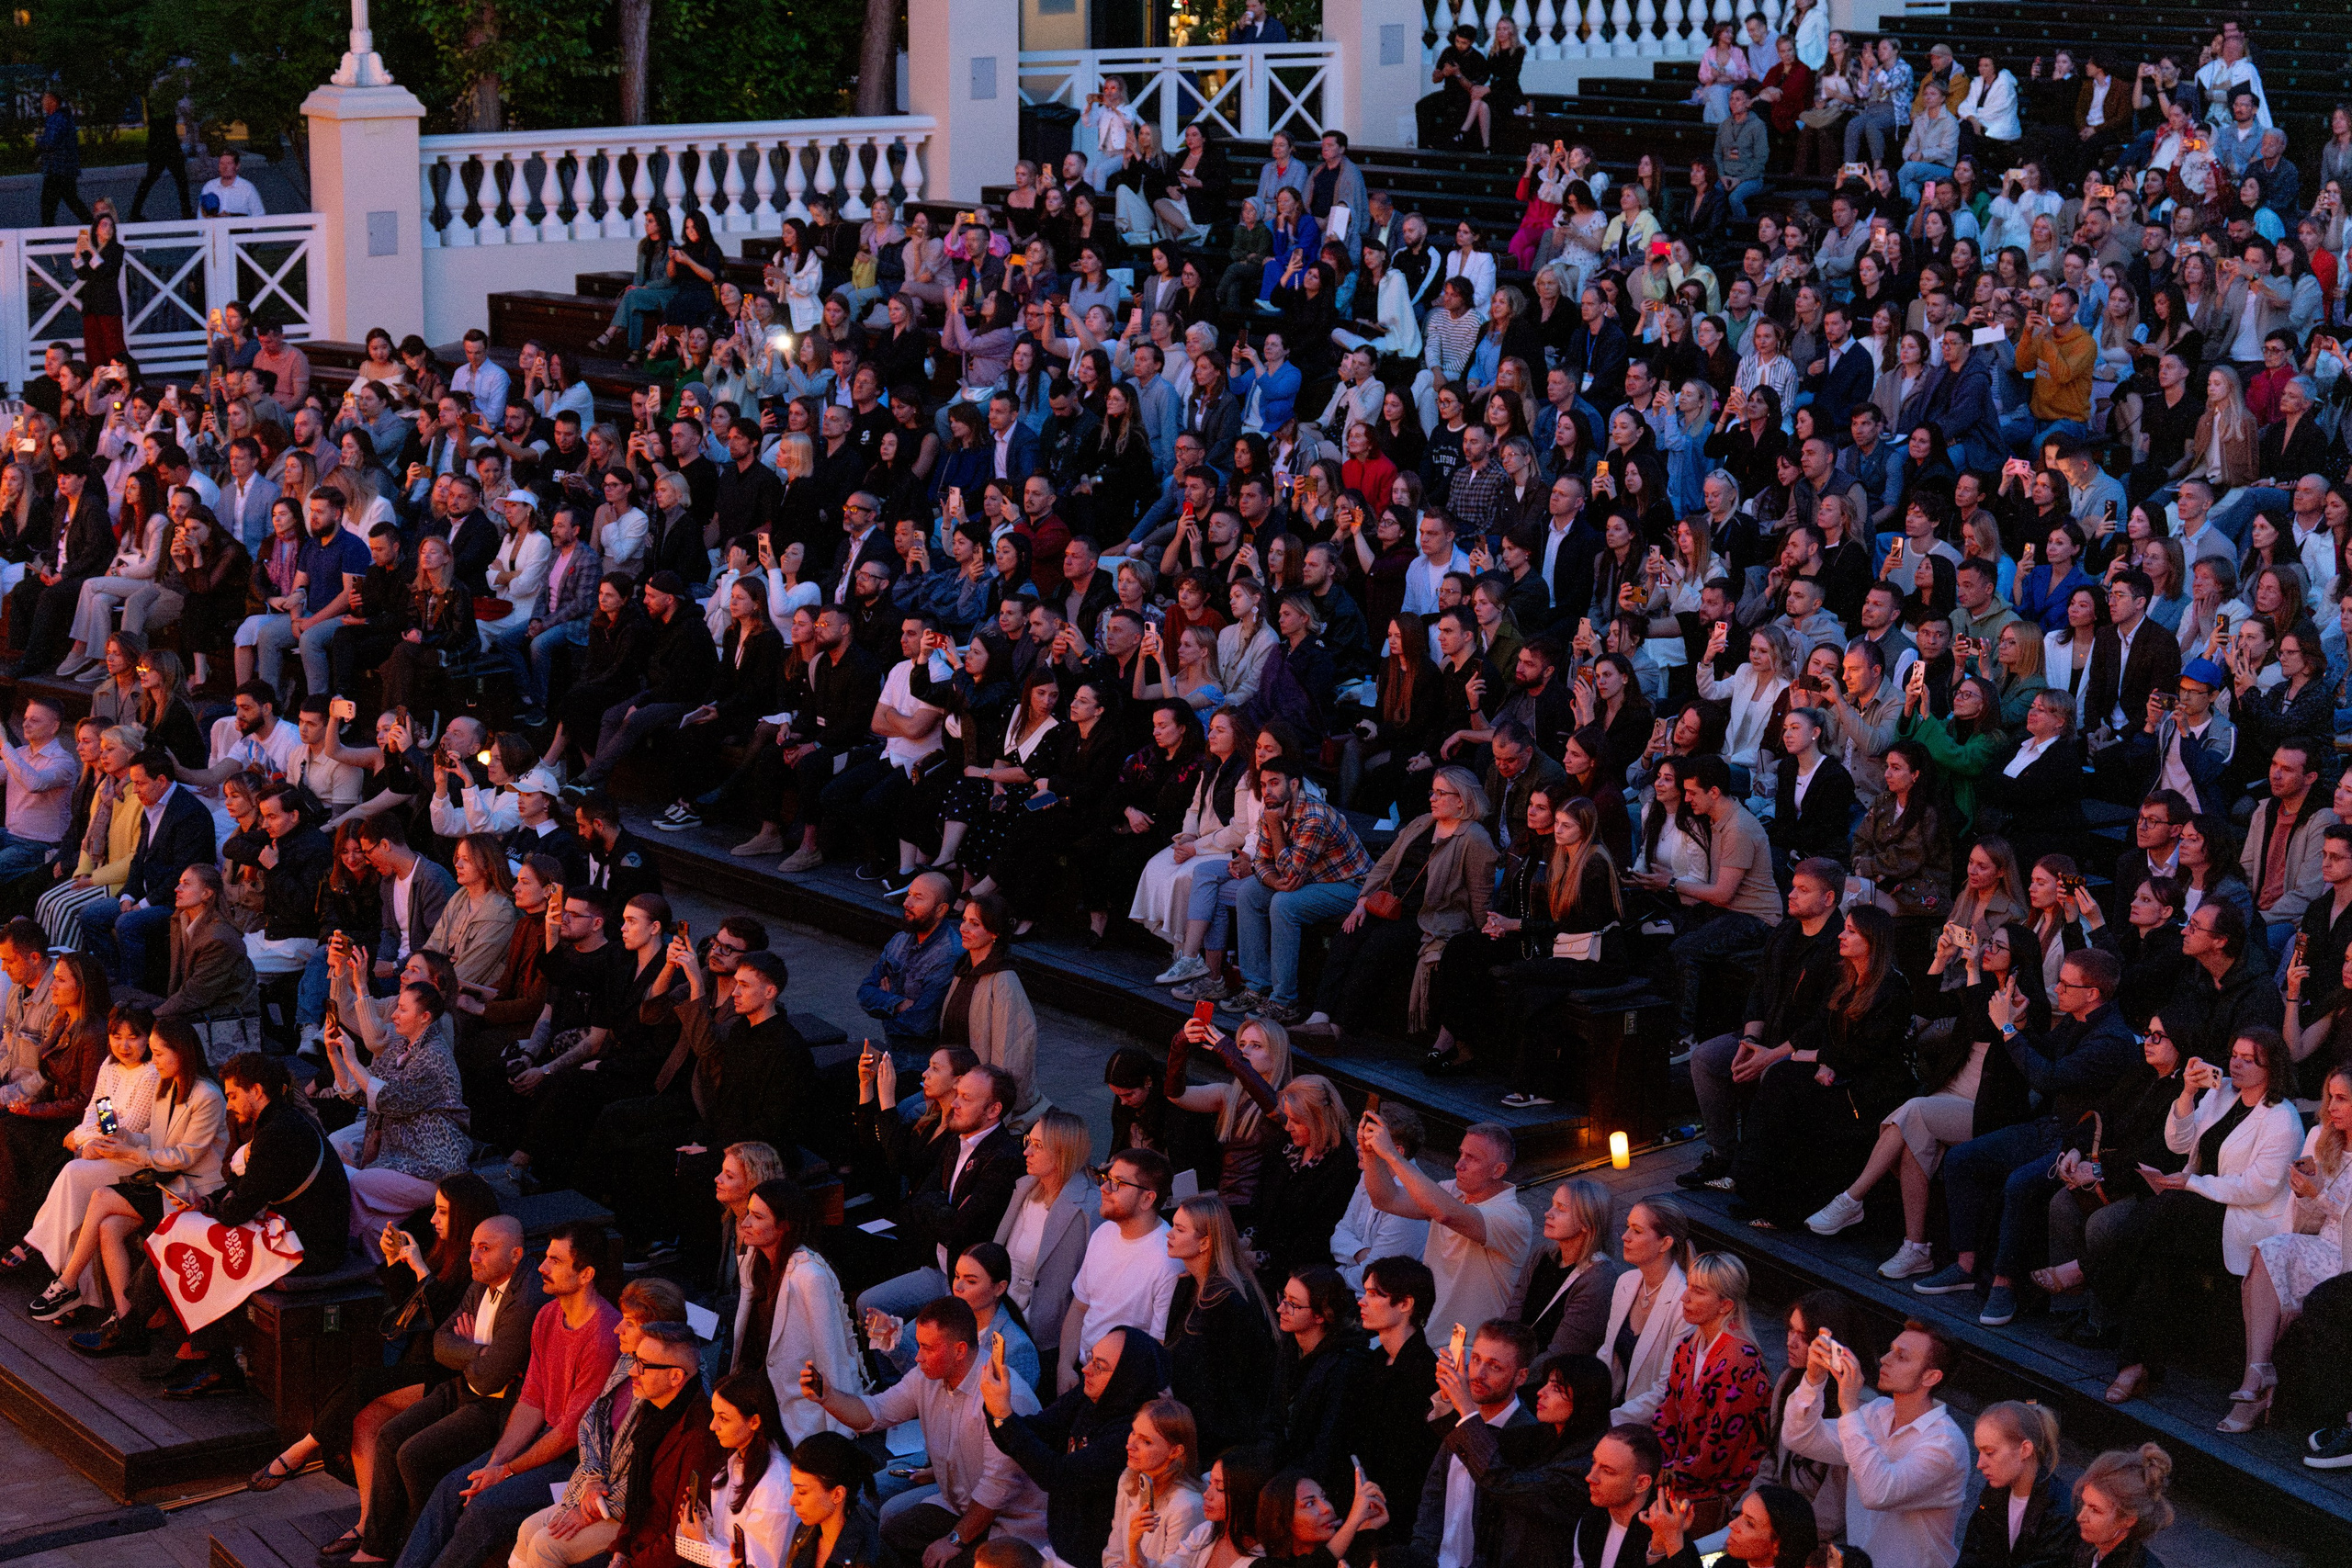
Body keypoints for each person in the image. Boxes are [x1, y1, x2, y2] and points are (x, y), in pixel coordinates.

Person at [382, 1222, 621, 1568]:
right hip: (544, 1442)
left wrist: (506, 1471)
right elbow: (531, 1401)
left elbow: (570, 1433)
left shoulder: (602, 1337)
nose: (542, 1267)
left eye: (555, 1260)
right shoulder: (548, 1316)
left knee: (485, 1505)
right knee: (454, 1487)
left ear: (586, 1275)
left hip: (581, 1465)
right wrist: (495, 1464)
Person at [2099, 1027, 2301, 1406]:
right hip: (2198, 1210)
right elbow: (2178, 1142)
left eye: (2248, 1059)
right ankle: (2136, 1366)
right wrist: (2188, 1094)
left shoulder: (2282, 1118)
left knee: (2169, 1211)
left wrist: (2193, 1183)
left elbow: (2259, 1187)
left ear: (2271, 1067)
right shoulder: (2221, 1093)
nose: (2236, 1064)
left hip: (2245, 1219)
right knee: (2160, 1254)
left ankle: (2088, 1271)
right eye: (2234, 1055)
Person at [329, 1212, 539, 1558]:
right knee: (390, 1435)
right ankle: (376, 1549)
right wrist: (481, 1351)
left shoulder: (526, 1299)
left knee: (415, 1456)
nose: (473, 1257)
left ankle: (412, 1546)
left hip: (494, 1406)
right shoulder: (481, 1280)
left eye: (485, 1249)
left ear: (515, 1255)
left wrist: (475, 1356)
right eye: (472, 1247)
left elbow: (491, 1378)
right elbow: (439, 1344)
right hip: (463, 1387)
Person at [801, 1293, 1051, 1566]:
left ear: (959, 1350)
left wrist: (953, 1540)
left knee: (946, 1561)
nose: (918, 1357)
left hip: (1012, 1524)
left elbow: (996, 1489)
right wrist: (827, 1396)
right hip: (962, 1505)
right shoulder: (926, 1377)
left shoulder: (1003, 1395)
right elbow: (874, 1413)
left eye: (928, 1348)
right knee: (893, 1532)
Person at [983, 1322, 1175, 1568]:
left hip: (1100, 1559)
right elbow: (1035, 1432)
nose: (1085, 1370)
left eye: (1099, 1366)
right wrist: (996, 1408)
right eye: (1091, 1358)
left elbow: (1058, 1475)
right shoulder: (1087, 1397)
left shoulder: (1131, 1431)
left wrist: (1004, 1416)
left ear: (1126, 1378)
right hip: (1062, 1547)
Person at [1781, 1319, 1970, 1568]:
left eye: (1901, 1357)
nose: (1884, 1359)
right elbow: (1799, 1438)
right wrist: (1813, 1380)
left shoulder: (1946, 1444)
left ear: (1931, 1377)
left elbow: (1878, 1493)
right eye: (1891, 1350)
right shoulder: (1877, 1412)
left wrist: (1849, 1408)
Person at [1358, 1114, 1533, 1349]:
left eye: (1471, 1159)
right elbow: (1386, 1199)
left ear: (1498, 1170)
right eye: (1460, 1153)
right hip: (1420, 1336)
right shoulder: (1451, 1190)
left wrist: (1392, 1155)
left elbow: (1446, 1214)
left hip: (1467, 1350)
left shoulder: (1513, 1216)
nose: (1458, 1164)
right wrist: (1371, 1154)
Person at [732, 1178, 864, 1442]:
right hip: (767, 1397)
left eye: (757, 1217)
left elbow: (832, 1355)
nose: (745, 1223)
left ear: (784, 1227)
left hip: (803, 1415)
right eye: (748, 1213)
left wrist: (839, 1435)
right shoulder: (754, 1261)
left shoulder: (810, 1276)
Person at [1648, 1254, 1772, 1534]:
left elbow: (1717, 1449)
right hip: (1677, 1476)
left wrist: (1666, 1474)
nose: (1684, 1297)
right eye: (1688, 1286)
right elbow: (1666, 1413)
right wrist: (1657, 1461)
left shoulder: (1740, 1361)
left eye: (1698, 1291)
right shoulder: (1687, 1347)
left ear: (1725, 1306)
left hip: (1716, 1490)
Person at [991, 1109, 1099, 1396]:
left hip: (1045, 1337)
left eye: (1037, 1145)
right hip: (1001, 1317)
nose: (1026, 1151)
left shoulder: (1089, 1208)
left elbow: (1088, 1289)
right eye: (1029, 1140)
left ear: (1063, 1153)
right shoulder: (1025, 1188)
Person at [1163, 1193, 1277, 1459]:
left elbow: (1238, 1386)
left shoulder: (1230, 1303)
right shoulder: (1186, 1286)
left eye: (1179, 1229)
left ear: (1205, 1242)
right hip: (1188, 1422)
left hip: (1216, 1439)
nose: (1169, 1234)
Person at [1062, 1148, 1182, 1375]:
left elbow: (1157, 1346)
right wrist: (1064, 1366)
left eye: (1118, 1183)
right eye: (1107, 1178)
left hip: (1121, 1382)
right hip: (1082, 1371)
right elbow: (1080, 1306)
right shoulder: (1103, 1233)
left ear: (1148, 1199)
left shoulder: (1168, 1261)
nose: (1104, 1188)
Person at [1955, 1401, 2075, 1568]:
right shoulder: (1993, 1495)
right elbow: (1971, 1556)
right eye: (1979, 1452)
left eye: (1990, 1453)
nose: (1980, 1463)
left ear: (2025, 1450)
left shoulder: (2060, 1511)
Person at [1517, 1178, 1623, 1357]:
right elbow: (1515, 1309)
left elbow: (1561, 1353)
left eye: (1561, 1208)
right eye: (1552, 1205)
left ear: (1586, 1223)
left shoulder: (1598, 1279)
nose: (1548, 1213)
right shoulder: (1542, 1254)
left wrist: (1512, 1376)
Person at [2070, 1446, 2174, 1565]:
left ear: (2128, 1520)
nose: (2080, 1517)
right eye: (2084, 1503)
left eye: (2095, 1510)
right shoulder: (2083, 1546)